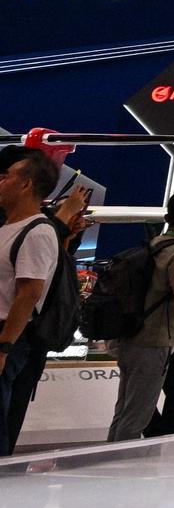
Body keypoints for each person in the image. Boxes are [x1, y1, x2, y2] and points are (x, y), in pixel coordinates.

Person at [101, 190, 174, 443]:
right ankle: (121, 469)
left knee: (124, 410)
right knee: (137, 416)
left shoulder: (153, 245)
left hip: (131, 336)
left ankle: (110, 460)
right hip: (153, 341)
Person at [0, 150, 63, 453]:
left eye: (7, 175)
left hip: (6, 334)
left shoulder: (37, 232)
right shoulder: (8, 228)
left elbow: (29, 294)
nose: (1, 181)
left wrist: (4, 348)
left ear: (26, 184)